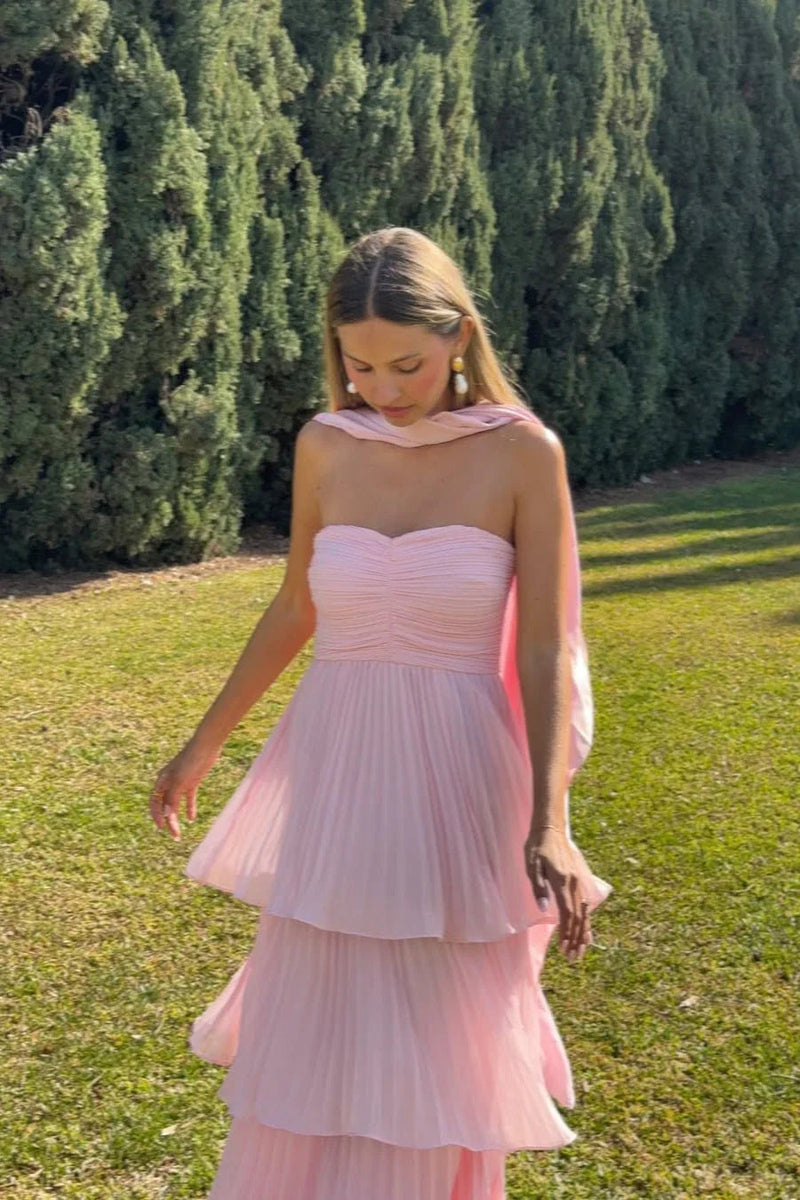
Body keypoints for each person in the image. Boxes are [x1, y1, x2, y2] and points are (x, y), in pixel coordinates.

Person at [148, 226, 612, 1199]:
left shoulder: (523, 453)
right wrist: (202, 746)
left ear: (457, 337)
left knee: (438, 1039)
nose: (384, 388)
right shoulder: (326, 444)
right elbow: (295, 607)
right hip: (337, 766)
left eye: (406, 363)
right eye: (358, 366)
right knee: (322, 1023)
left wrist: (549, 819)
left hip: (458, 778)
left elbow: (542, 646)